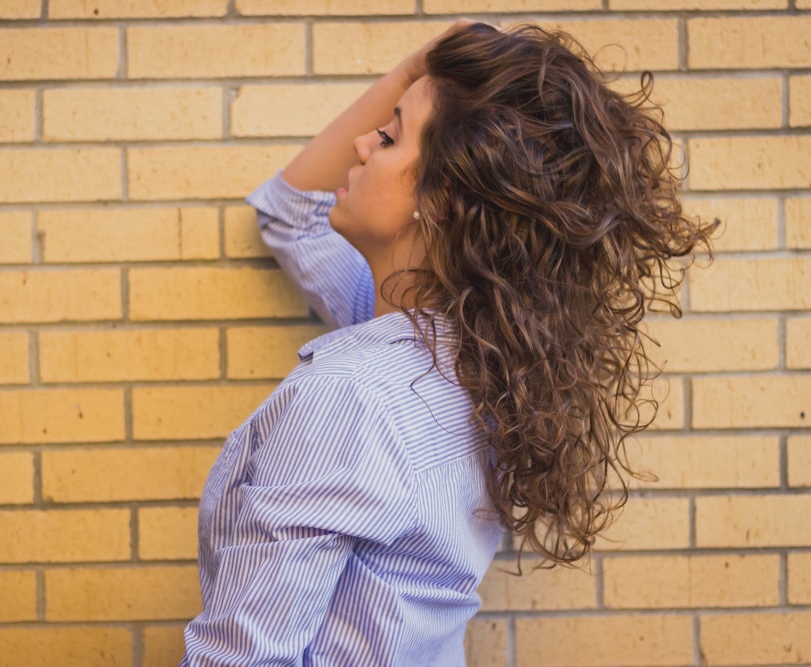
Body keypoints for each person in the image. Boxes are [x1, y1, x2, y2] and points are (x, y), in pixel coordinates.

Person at [179, 20, 714, 666]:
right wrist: (414, 75)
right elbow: (290, 211)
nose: (360, 141)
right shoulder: (472, 353)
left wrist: (414, 78)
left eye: (390, 135)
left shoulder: (352, 398)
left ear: (443, 202)